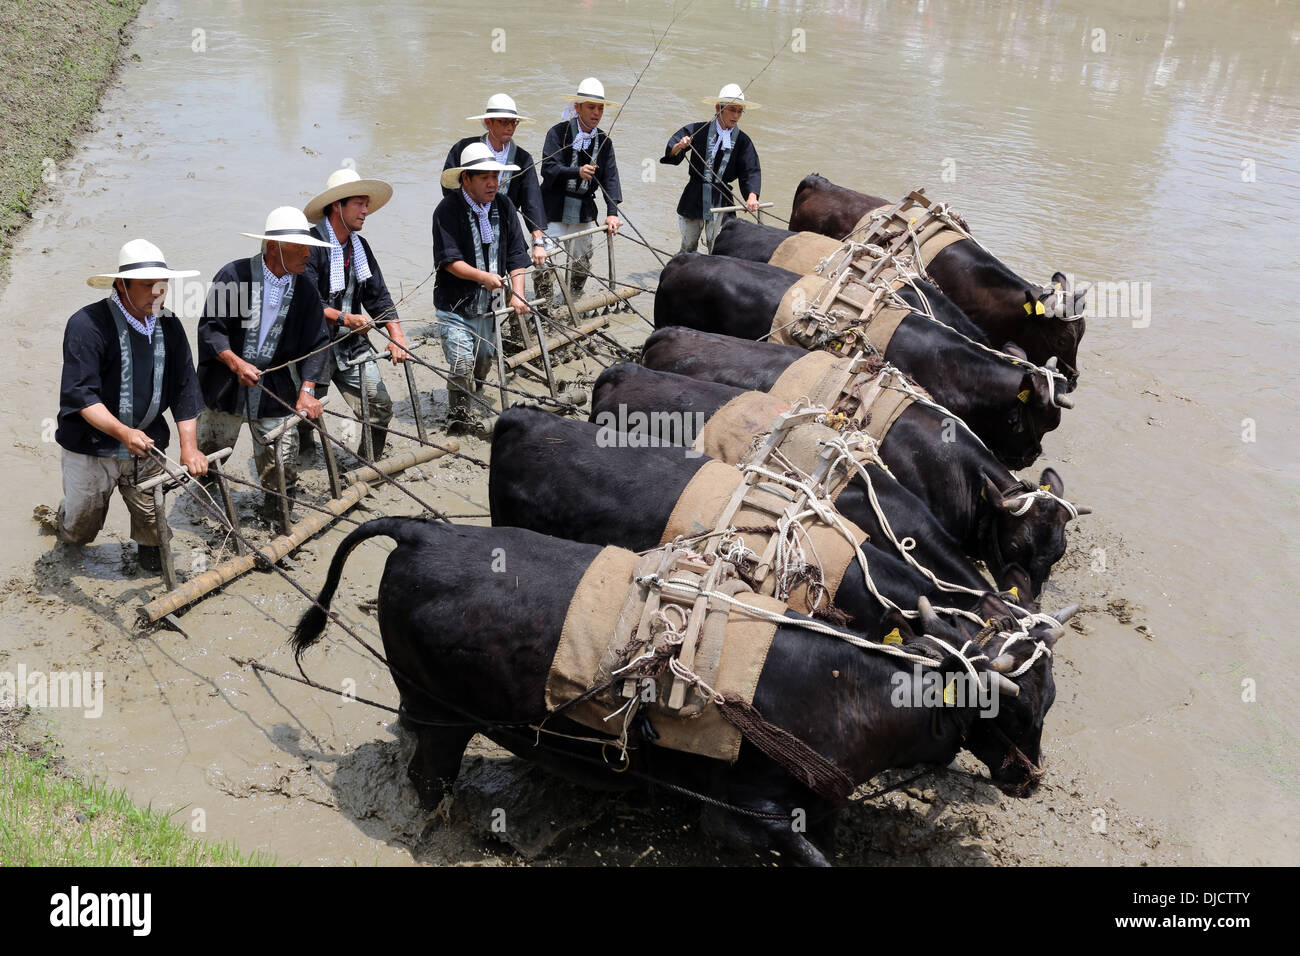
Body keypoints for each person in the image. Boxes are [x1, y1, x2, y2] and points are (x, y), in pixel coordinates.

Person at [53, 240, 207, 572]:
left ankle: (152, 563)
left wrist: (190, 448)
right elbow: (82, 396)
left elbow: (184, 387)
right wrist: (123, 432)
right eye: (147, 285)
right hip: (92, 446)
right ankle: (63, 523)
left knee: (154, 527)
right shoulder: (86, 325)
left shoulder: (168, 324)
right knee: (80, 531)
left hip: (147, 444)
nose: (157, 293)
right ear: (121, 285)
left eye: (162, 285)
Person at [196, 206, 330, 517]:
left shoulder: (305, 289)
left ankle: (276, 517)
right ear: (273, 248)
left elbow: (318, 342)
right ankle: (204, 507)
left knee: (282, 460)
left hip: (275, 388)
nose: (308, 255)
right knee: (209, 457)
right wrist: (234, 362)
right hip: (225, 385)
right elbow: (211, 329)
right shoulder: (234, 276)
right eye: (301, 247)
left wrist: (307, 389)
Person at [301, 168, 409, 462]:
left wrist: (396, 336)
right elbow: (308, 304)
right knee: (305, 413)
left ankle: (368, 463)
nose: (365, 211)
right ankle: (305, 449)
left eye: (366, 204)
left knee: (380, 406)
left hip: (350, 344)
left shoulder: (359, 247)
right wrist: (345, 318)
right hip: (313, 347)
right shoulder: (310, 247)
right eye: (359, 204)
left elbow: (378, 297)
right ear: (337, 205)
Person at [432, 142, 531, 436]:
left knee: (484, 359)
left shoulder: (504, 205)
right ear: (466, 179)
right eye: (485, 177)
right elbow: (449, 261)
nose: (492, 183)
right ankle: (458, 415)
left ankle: (474, 390)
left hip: (489, 305)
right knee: (462, 361)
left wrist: (519, 292)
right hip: (455, 305)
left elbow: (516, 254)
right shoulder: (447, 210)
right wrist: (482, 277)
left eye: (495, 177)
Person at [442, 94, 550, 300]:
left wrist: (538, 241)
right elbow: (450, 190)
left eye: (513, 122)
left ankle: (528, 310)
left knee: (523, 265)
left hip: (506, 225)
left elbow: (531, 200)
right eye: (503, 122)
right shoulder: (465, 150)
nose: (509, 127)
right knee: (469, 272)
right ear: (488, 123)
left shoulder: (523, 158)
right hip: (469, 222)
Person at [539, 77, 623, 304]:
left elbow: (611, 178)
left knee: (582, 260)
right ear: (577, 108)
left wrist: (612, 212)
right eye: (591, 107)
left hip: (583, 209)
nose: (596, 113)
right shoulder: (558, 133)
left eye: (600, 108)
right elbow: (548, 168)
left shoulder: (605, 141)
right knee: (546, 261)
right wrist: (576, 171)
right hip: (552, 207)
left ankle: (573, 300)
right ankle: (544, 306)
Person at [662, 83, 762, 253]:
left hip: (722, 200)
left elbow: (750, 170)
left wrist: (752, 196)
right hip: (693, 198)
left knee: (718, 251)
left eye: (739, 111)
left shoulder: (743, 141)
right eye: (732, 110)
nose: (736, 115)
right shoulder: (696, 130)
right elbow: (671, 152)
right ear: (718, 108)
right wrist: (680, 145)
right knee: (688, 248)